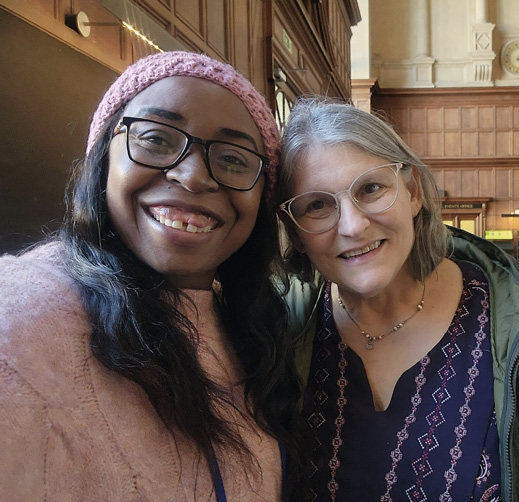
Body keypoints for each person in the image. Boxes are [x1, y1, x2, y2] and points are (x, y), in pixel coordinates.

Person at [0, 51, 304, 501]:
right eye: (157, 139)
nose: (193, 176)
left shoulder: (255, 330)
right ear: (105, 154)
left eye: (234, 159)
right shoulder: (19, 316)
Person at [276, 97, 519, 502]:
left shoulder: (518, 318)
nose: (354, 225)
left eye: (372, 188)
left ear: (412, 191)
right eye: (318, 205)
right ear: (294, 232)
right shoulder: (274, 335)